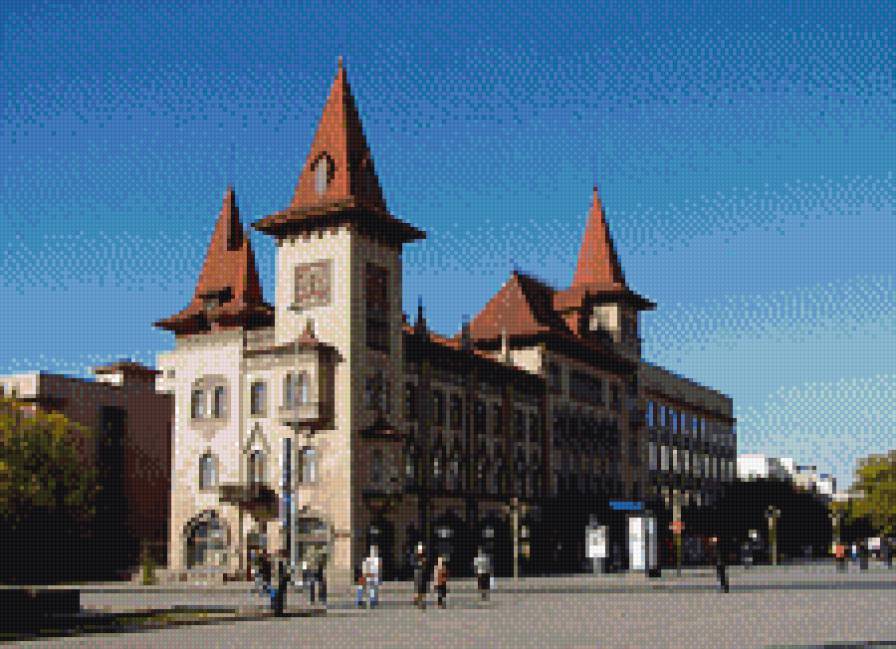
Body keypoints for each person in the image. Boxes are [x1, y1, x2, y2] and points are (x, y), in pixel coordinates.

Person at [413, 543, 428, 610]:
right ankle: (418, 600)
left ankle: (421, 601)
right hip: (417, 573)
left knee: (421, 587)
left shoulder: (423, 558)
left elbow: (424, 566)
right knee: (417, 587)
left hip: (422, 574)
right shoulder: (416, 558)